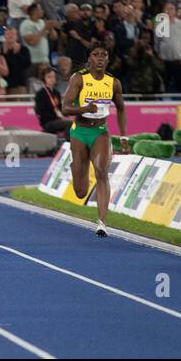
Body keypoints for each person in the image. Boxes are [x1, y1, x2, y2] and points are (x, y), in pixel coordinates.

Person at [61, 45, 128, 237]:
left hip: (100, 131)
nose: (100, 58)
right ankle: (76, 165)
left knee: (101, 170)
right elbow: (65, 108)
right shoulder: (79, 78)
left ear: (107, 60)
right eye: (96, 55)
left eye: (104, 55)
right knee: (81, 192)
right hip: (80, 132)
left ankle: (102, 223)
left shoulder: (113, 83)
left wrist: (123, 135)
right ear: (89, 58)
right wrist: (83, 109)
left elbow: (121, 108)